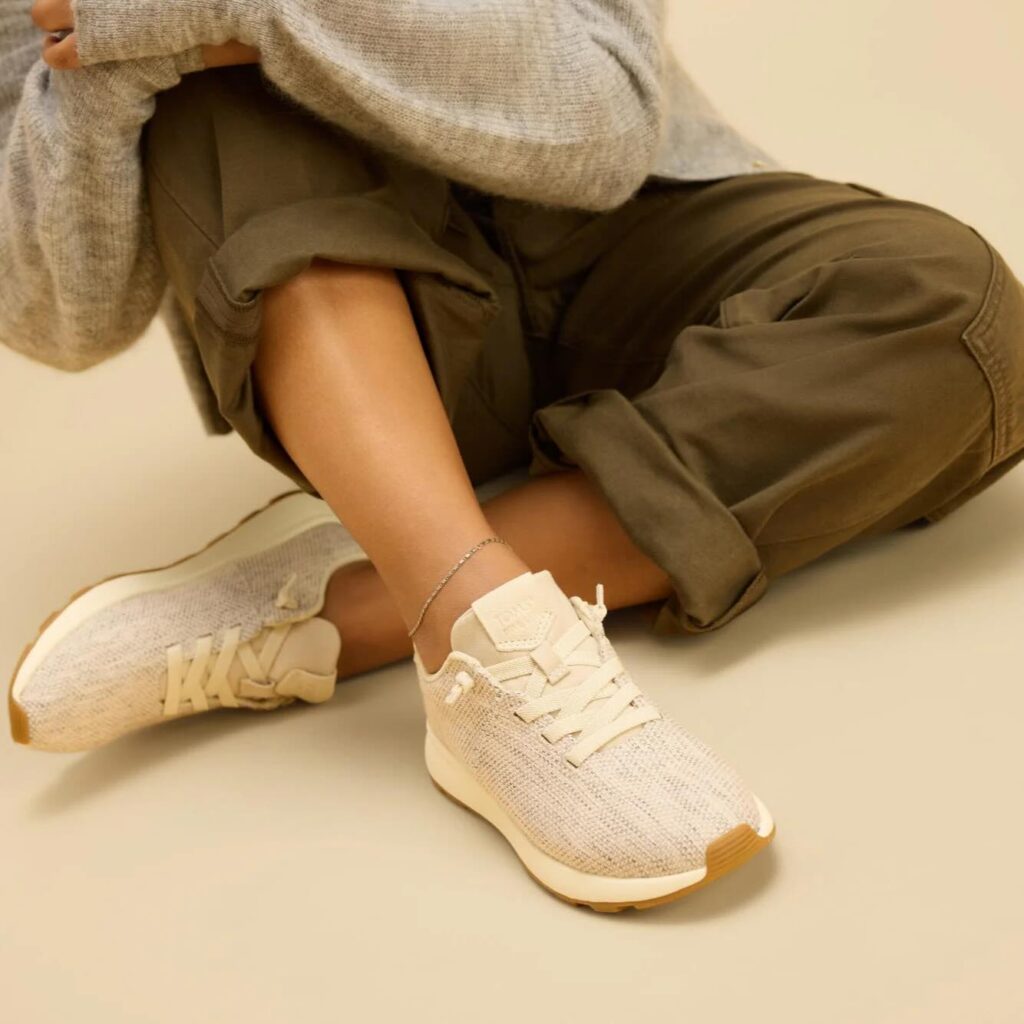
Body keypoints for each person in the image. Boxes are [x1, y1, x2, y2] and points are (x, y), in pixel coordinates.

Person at [4, 1, 1023, 912]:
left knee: (961, 314)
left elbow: (600, 119)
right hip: (368, 320)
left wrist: (255, 8)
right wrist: (118, 49)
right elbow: (60, 315)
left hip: (634, 217)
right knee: (211, 92)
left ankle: (347, 605)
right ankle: (473, 645)